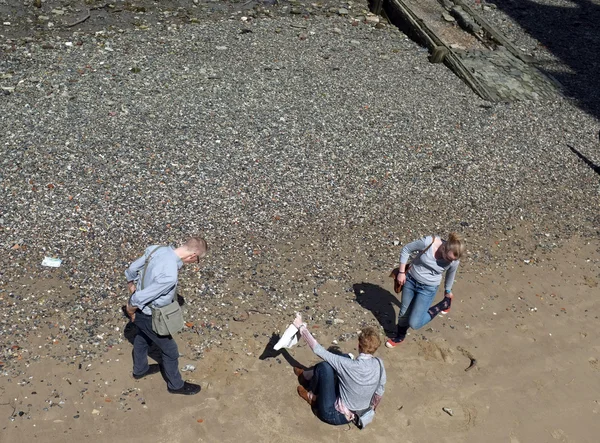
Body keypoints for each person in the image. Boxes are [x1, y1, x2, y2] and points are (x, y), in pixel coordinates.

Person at [124, 237, 208, 395]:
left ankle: (140, 370)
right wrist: (130, 310)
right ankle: (176, 386)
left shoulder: (157, 249)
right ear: (192, 255)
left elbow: (132, 268)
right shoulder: (169, 275)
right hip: (150, 314)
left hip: (143, 313)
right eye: (196, 260)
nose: (193, 264)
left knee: (143, 337)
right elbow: (139, 299)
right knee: (170, 351)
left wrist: (131, 283)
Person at [292, 314, 386, 427]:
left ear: (359, 345)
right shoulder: (379, 364)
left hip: (333, 414)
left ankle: (312, 395)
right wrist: (372, 407)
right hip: (358, 412)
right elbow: (379, 393)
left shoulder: (348, 365)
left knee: (324, 367)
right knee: (345, 357)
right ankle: (306, 375)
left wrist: (301, 327)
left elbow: (318, 350)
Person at [386, 232, 465, 348]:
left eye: (452, 260)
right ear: (444, 247)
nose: (449, 261)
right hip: (410, 281)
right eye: (448, 258)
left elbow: (450, 274)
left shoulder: (454, 261)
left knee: (415, 323)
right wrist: (401, 272)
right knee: (404, 313)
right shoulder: (429, 242)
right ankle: (400, 336)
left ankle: (443, 305)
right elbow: (406, 249)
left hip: (428, 289)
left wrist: (447, 291)